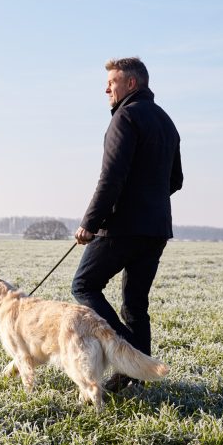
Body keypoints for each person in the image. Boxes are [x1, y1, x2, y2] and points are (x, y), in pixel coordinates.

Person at [72, 57, 183, 393]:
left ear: (131, 84)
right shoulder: (166, 121)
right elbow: (175, 180)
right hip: (157, 228)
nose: (107, 88)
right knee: (135, 304)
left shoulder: (126, 116)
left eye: (113, 81)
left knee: (84, 285)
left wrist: (89, 223)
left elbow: (111, 178)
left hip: (123, 228)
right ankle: (137, 374)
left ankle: (126, 356)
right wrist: (149, 197)